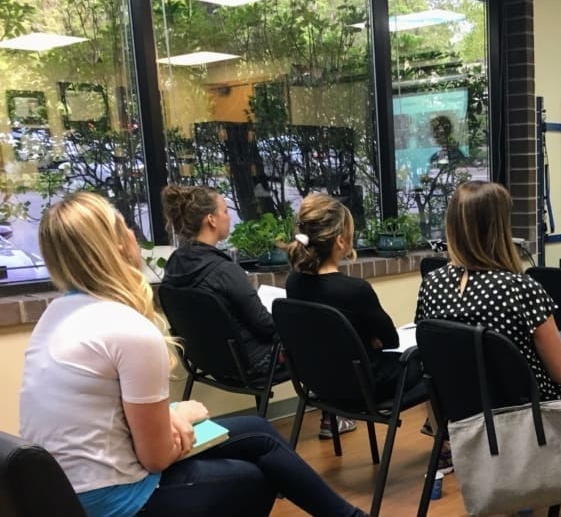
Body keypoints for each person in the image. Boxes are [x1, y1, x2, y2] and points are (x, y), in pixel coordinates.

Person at [19, 192, 367, 517]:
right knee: (255, 479)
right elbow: (156, 457)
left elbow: (106, 414)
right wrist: (180, 420)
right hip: (113, 501)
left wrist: (171, 418)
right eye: (125, 226)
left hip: (60, 494)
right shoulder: (127, 329)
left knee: (258, 431)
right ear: (115, 246)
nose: (132, 233)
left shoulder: (55, 315)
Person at [415, 181, 561, 516]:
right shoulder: (520, 288)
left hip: (464, 407)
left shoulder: (432, 285)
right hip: (527, 411)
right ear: (499, 229)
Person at [283, 193, 425, 443]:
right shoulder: (355, 290)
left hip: (321, 384)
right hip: (367, 387)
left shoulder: (294, 283)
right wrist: (371, 340)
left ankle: (332, 418)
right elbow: (390, 340)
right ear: (340, 241)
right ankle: (443, 444)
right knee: (427, 357)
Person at [160, 184, 277, 379]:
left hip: (206, 361)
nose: (229, 217)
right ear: (211, 220)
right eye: (224, 211)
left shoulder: (173, 265)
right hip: (253, 362)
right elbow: (266, 327)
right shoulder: (224, 270)